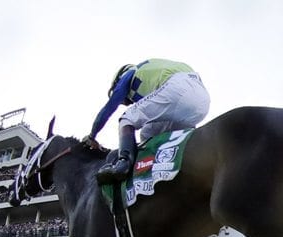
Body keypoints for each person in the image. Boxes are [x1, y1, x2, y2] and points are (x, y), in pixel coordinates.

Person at [82, 58, 210, 183]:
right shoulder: (153, 69)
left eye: (126, 101)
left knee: (127, 119)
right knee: (148, 133)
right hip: (202, 102)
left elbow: (109, 107)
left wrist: (92, 136)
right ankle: (167, 167)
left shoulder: (130, 73)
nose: (129, 102)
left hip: (177, 89)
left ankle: (123, 164)